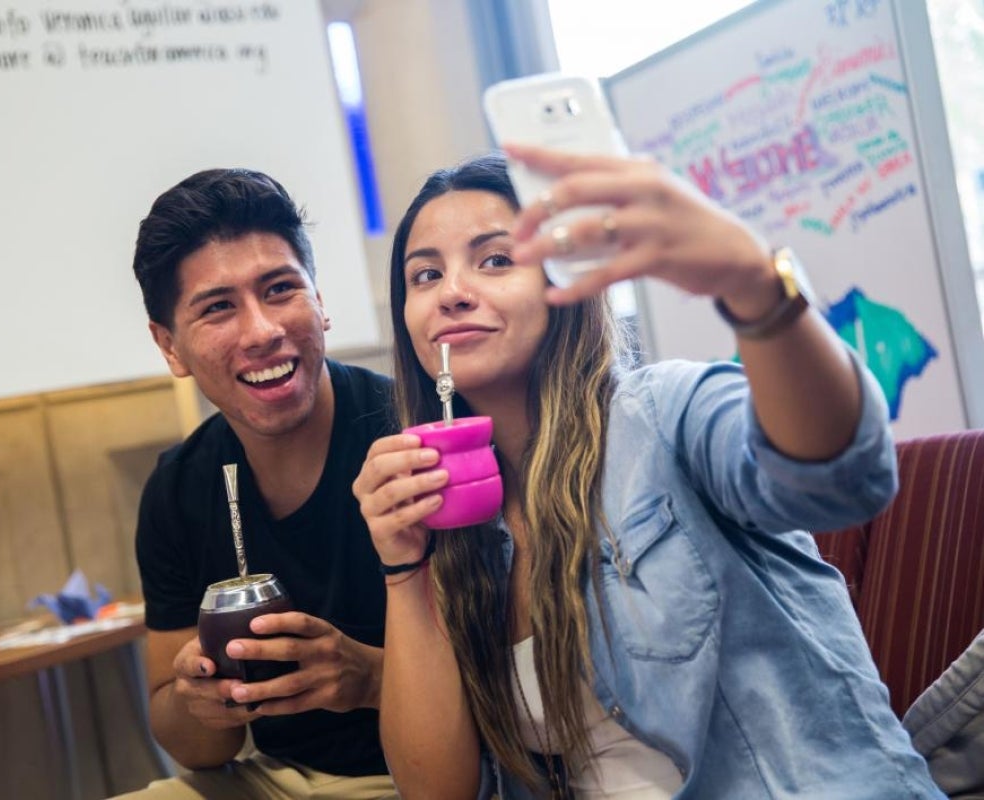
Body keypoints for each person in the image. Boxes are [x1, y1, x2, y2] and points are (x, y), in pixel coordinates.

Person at [352, 149, 944, 799]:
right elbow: (438, 792)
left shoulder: (663, 414)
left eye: (496, 260)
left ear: (564, 284)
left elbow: (842, 476)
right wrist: (404, 569)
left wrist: (754, 286)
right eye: (425, 275)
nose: (453, 292)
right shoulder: (454, 521)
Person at [117, 168, 398, 799]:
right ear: (170, 348)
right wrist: (203, 702)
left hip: (433, 772)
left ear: (320, 301)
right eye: (218, 307)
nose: (263, 330)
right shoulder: (177, 491)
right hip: (270, 779)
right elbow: (186, 739)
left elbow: (526, 681)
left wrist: (369, 677)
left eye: (280, 289)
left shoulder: (416, 431)